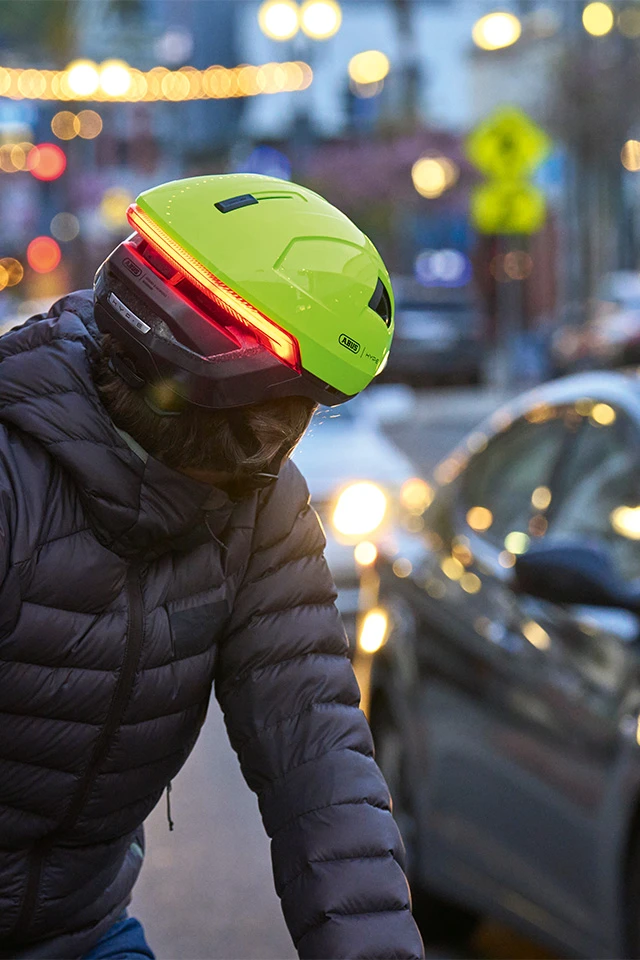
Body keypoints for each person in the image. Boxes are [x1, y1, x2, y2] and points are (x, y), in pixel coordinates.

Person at [0, 174, 424, 960]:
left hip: (79, 929)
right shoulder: (13, 472)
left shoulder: (260, 508)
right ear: (219, 394)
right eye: (282, 414)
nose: (284, 443)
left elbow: (316, 755)